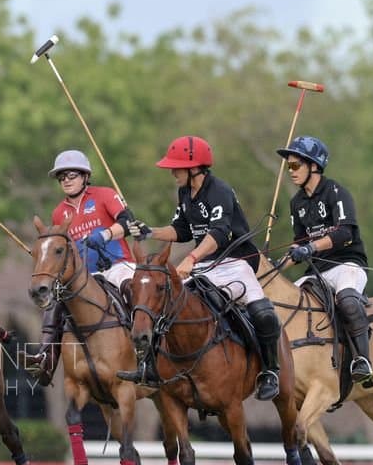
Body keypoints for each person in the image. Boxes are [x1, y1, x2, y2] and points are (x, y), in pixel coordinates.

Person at [118, 136, 283, 401]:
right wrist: (151, 231)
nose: (172, 173)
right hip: (205, 268)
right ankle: (149, 365)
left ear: (194, 168)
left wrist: (191, 258)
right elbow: (181, 230)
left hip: (235, 263)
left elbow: (218, 233)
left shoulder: (220, 191)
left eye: (176, 168)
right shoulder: (185, 193)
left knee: (263, 314)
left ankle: (270, 371)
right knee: (166, 303)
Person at [24, 149, 146, 386]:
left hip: (117, 265)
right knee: (56, 305)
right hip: (85, 277)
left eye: (72, 175)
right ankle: (45, 359)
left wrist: (105, 234)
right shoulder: (59, 213)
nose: (66, 180)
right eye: (62, 177)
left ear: (85, 176)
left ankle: (146, 352)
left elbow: (128, 222)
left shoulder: (105, 195)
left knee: (133, 290)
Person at [277, 135, 373, 387]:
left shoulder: (336, 192)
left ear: (314, 165)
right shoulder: (297, 202)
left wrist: (311, 247)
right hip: (317, 272)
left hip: (347, 265)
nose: (291, 171)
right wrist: (276, 267)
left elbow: (344, 233)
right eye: (288, 166)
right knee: (281, 305)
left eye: (295, 165)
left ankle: (362, 360)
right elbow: (299, 243)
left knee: (348, 301)